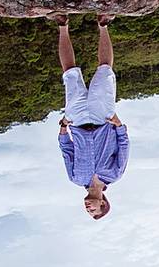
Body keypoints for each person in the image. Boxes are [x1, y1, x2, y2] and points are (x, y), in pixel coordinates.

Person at [51, 13, 130, 220]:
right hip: (103, 119)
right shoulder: (115, 175)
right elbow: (123, 146)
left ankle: (62, 24)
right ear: (103, 203)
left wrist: (63, 127)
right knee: (105, 69)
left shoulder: (76, 178)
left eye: (87, 210)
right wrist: (118, 124)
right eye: (93, 209)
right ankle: (103, 24)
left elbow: (67, 150)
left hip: (76, 121)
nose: (87, 207)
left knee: (69, 73)